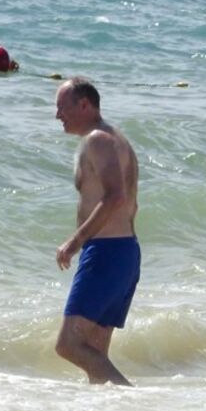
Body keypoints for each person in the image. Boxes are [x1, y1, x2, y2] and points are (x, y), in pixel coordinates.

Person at [53, 77, 141, 386]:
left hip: (107, 252)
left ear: (84, 105)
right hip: (123, 252)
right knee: (95, 355)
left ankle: (132, 400)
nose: (57, 115)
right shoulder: (116, 138)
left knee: (68, 345)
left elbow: (115, 196)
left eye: (62, 106)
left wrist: (75, 242)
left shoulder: (98, 140)